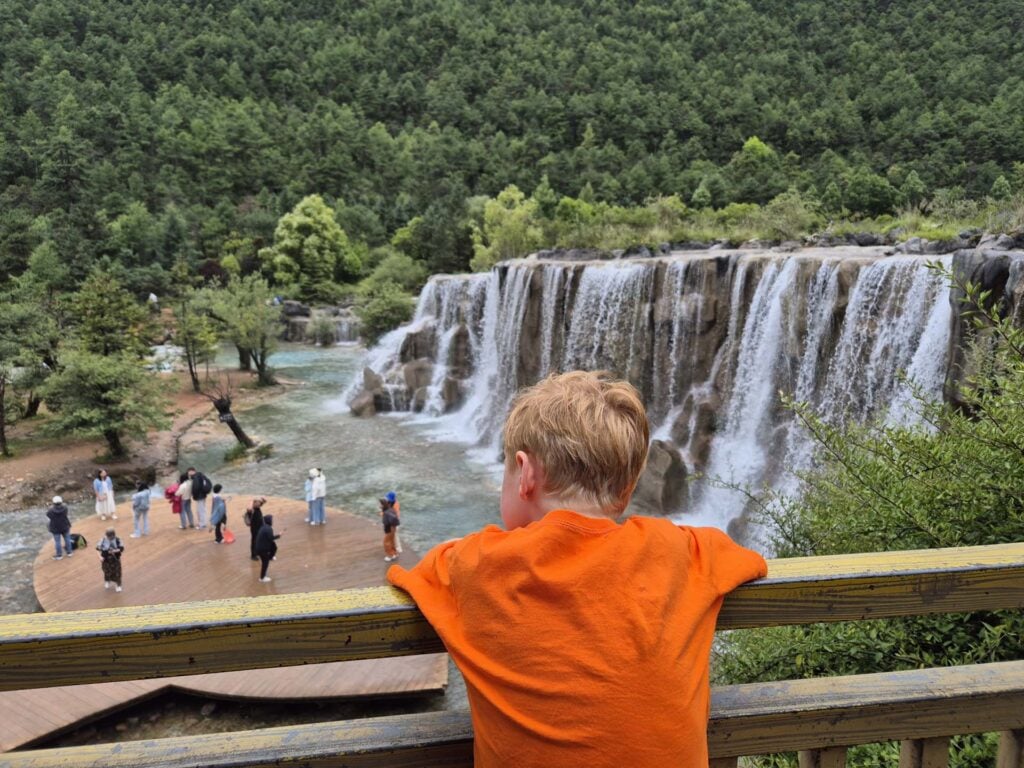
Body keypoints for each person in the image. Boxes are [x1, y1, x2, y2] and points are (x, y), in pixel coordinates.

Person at [387, 371, 768, 768]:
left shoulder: (472, 564)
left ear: (526, 474)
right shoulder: (684, 552)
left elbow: (411, 574)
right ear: (627, 489)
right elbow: (749, 560)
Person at [97, 527, 125, 592]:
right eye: (108, 536)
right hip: (106, 560)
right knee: (106, 571)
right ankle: (107, 581)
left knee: (117, 573)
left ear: (114, 535)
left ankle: (118, 585)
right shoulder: (103, 540)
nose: (109, 538)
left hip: (115, 560)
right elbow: (97, 549)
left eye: (111, 537)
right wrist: (100, 557)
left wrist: (114, 551)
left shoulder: (118, 540)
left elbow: (121, 549)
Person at [254, 514, 280, 582]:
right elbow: (271, 538)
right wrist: (279, 535)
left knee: (274, 546)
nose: (272, 521)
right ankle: (262, 578)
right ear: (269, 521)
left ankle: (271, 557)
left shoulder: (264, 527)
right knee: (265, 563)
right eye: (272, 520)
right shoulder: (269, 529)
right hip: (262, 549)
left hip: (259, 547)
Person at [46, 496, 73, 561]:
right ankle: (69, 552)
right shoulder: (65, 507)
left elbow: (48, 515)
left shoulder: (50, 510)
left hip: (55, 528)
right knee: (67, 539)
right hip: (65, 526)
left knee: (57, 542)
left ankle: (59, 555)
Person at [380, 497, 400, 562]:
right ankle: (395, 553)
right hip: (393, 527)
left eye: (381, 504)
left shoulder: (386, 512)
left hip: (389, 527)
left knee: (386, 542)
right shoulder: (391, 509)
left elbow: (388, 521)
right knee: (391, 541)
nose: (379, 506)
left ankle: (390, 555)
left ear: (384, 505)